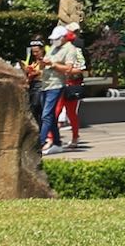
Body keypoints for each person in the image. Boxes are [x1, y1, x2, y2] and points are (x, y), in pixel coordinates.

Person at [38, 24, 86, 153]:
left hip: (65, 84)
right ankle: (55, 141)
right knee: (53, 113)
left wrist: (53, 65)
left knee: (62, 113)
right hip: (47, 84)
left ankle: (42, 141)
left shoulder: (73, 48)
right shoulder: (53, 47)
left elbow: (76, 68)